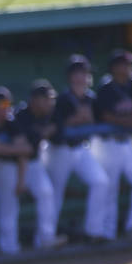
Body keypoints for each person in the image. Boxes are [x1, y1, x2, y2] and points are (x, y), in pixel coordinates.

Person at [47, 55, 109, 242]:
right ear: (71, 76)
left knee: (100, 182)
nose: (83, 77)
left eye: (85, 73)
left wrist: (85, 119)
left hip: (81, 148)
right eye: (79, 73)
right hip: (60, 150)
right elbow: (55, 126)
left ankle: (94, 231)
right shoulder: (62, 99)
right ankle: (47, 237)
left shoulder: (91, 98)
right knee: (55, 194)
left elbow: (100, 119)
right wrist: (74, 121)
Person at [94, 49, 132, 240]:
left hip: (127, 143)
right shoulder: (105, 88)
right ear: (114, 68)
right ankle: (106, 232)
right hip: (108, 144)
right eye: (124, 65)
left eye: (129, 65)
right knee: (110, 188)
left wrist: (131, 123)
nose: (128, 68)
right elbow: (105, 116)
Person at [0, 87, 33, 255]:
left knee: (9, 207)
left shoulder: (12, 122)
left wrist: (21, 180)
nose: (4, 108)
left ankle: (10, 249)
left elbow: (25, 150)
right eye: (0, 104)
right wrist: (14, 149)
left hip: (4, 167)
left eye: (7, 104)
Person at [13, 80, 63, 250]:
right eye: (46, 99)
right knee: (9, 208)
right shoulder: (21, 116)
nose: (50, 103)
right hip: (12, 165)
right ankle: (8, 249)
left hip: (33, 163)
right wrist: (21, 180)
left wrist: (49, 130)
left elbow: (58, 127)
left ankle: (45, 239)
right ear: (35, 100)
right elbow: (24, 150)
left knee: (46, 193)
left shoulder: (49, 113)